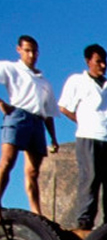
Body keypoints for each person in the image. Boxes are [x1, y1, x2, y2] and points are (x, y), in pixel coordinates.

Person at [57, 43, 107, 229]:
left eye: (105, 62)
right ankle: (85, 220)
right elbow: (64, 107)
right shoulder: (77, 81)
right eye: (98, 62)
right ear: (88, 61)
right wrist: (83, 121)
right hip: (88, 136)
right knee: (90, 178)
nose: (103, 66)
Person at [0, 35, 59, 215]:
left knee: (33, 172)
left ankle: (36, 212)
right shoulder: (10, 67)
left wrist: (53, 137)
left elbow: (48, 113)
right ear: (19, 50)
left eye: (34, 51)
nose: (31, 55)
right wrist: (1, 103)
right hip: (18, 114)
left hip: (37, 120)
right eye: (27, 51)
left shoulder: (44, 81)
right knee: (7, 161)